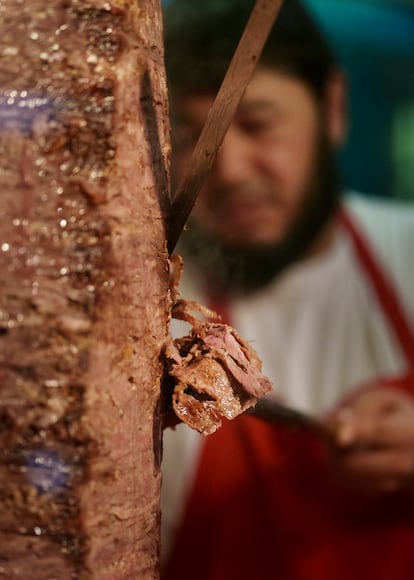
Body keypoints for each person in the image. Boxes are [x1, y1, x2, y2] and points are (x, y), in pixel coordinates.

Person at [161, 1, 414, 578]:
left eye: (256, 124)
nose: (229, 171)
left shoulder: (408, 254)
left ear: (333, 106)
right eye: (190, 137)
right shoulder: (156, 320)